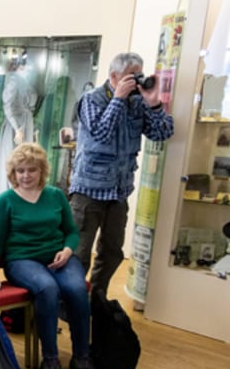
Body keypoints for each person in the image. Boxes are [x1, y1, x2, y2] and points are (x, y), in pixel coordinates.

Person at [0, 143, 96, 369]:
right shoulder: (5, 201)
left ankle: (82, 357)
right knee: (47, 288)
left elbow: (71, 232)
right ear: (13, 173)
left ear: (42, 170)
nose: (26, 175)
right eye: (20, 171)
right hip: (22, 260)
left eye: (31, 170)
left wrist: (67, 250)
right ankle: (50, 359)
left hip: (59, 256)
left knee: (77, 289)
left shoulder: (56, 195)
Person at [69, 52, 174, 294]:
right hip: (88, 190)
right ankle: (71, 303)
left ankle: (97, 298)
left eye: (139, 75)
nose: (137, 81)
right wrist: (117, 99)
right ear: (114, 76)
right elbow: (100, 134)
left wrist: (154, 103)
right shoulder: (92, 99)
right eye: (131, 76)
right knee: (79, 253)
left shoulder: (138, 103)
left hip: (119, 192)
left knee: (112, 252)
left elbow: (162, 133)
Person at [0, 60, 38, 197]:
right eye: (23, 67)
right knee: (12, 157)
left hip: (26, 123)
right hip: (16, 125)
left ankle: (22, 191)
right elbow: (8, 107)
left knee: (25, 157)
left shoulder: (26, 83)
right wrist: (17, 128)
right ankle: (7, 191)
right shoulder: (14, 83)